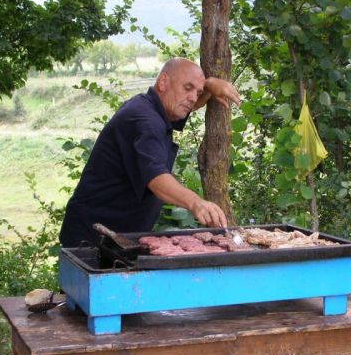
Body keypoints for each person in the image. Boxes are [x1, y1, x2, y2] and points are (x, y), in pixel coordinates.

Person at [59, 57, 240, 247]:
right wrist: (196, 202)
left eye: (198, 92)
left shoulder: (151, 106)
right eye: (188, 88)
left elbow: (190, 105)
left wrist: (209, 85)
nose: (194, 97)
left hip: (116, 237)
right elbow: (155, 177)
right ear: (163, 82)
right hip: (91, 238)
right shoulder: (146, 121)